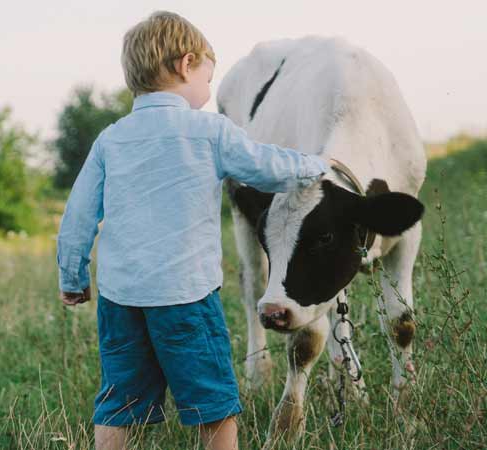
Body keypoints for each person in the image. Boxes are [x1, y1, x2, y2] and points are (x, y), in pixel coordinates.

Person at [56, 11, 329, 450]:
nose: (208, 91)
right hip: (186, 297)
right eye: (207, 78)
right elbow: (266, 167)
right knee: (213, 406)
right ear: (186, 64)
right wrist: (317, 165)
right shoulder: (209, 131)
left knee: (118, 403)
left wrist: (72, 277)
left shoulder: (110, 139)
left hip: (121, 300)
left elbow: (77, 219)